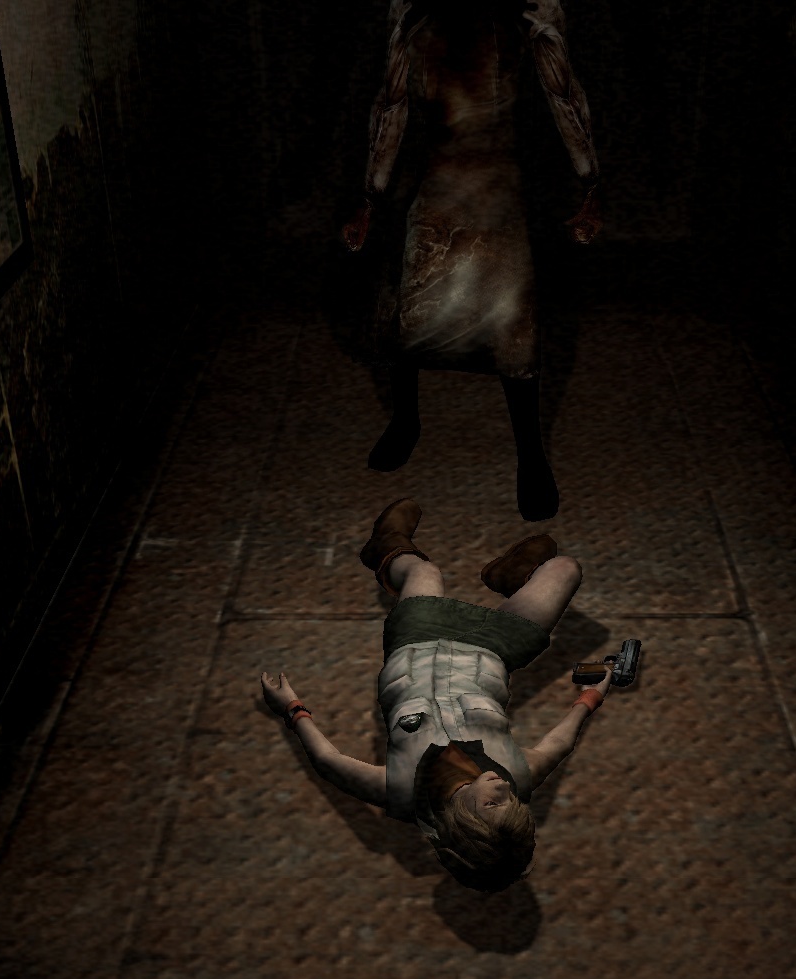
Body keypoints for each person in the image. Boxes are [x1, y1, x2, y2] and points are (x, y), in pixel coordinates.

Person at [258, 499, 609, 890]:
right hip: (495, 648)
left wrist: (292, 708)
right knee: (565, 568)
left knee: (424, 571)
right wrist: (590, 696)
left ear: (462, 822)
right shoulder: (516, 776)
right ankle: (512, 575)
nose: (504, 789)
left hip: (417, 641)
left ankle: (386, 545)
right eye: (514, 803)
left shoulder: (403, 791)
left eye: (493, 802)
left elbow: (328, 761)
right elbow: (558, 745)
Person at [341, 0, 602, 522]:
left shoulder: (529, 11)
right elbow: (392, 103)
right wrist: (371, 195)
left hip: (499, 186)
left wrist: (589, 181)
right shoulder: (413, 13)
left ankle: (531, 455)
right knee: (408, 311)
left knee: (512, 324)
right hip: (433, 180)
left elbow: (563, 93)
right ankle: (406, 422)